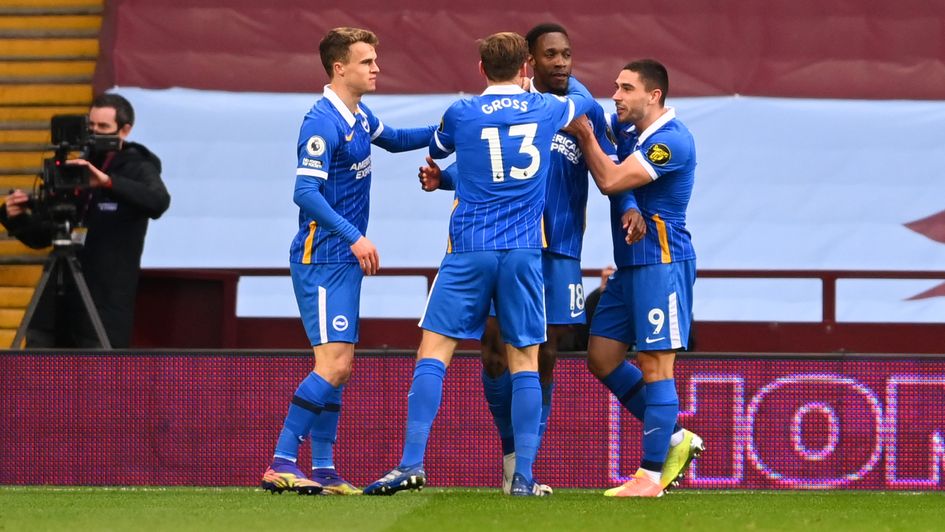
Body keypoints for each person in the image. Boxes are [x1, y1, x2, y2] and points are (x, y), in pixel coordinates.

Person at [416, 23, 645, 495]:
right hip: (510, 245)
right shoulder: (527, 107)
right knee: (494, 354)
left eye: (567, 54)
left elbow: (614, 165)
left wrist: (630, 206)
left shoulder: (581, 108)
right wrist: (447, 179)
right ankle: (512, 457)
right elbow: (491, 160)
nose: (562, 62)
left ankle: (526, 467)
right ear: (530, 63)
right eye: (551, 55)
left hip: (559, 247)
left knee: (545, 354)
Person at [363, 31, 595, 497]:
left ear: (481, 70)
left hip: (468, 247)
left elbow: (425, 143)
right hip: (525, 253)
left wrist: (373, 129)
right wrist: (534, 92)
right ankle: (524, 478)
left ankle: (411, 463)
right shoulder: (547, 109)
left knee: (434, 352)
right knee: (526, 359)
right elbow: (584, 101)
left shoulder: (462, 113)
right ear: (526, 68)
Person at [260, 27, 436, 496]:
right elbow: (304, 192)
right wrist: (355, 236)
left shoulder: (356, 115)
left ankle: (322, 469)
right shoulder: (321, 123)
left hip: (341, 260)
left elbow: (397, 139)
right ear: (340, 68)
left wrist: (451, 130)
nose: (376, 68)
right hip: (322, 258)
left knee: (340, 364)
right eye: (367, 61)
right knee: (333, 365)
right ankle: (280, 461)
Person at [566, 59, 703, 497]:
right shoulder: (627, 128)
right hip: (629, 268)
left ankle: (649, 477)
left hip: (662, 265)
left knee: (655, 367)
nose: (617, 96)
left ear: (653, 96)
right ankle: (677, 437)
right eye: (615, 87)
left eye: (626, 89)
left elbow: (609, 178)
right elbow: (584, 106)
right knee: (602, 358)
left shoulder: (672, 142)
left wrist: (587, 137)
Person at [0, 93, 170, 348]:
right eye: (91, 126)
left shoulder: (137, 165)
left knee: (94, 377)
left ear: (124, 130)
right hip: (58, 293)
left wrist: (107, 182)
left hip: (103, 299)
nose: (95, 134)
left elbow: (158, 202)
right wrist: (15, 217)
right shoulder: (76, 166)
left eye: (103, 128)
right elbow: (43, 236)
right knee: (39, 364)